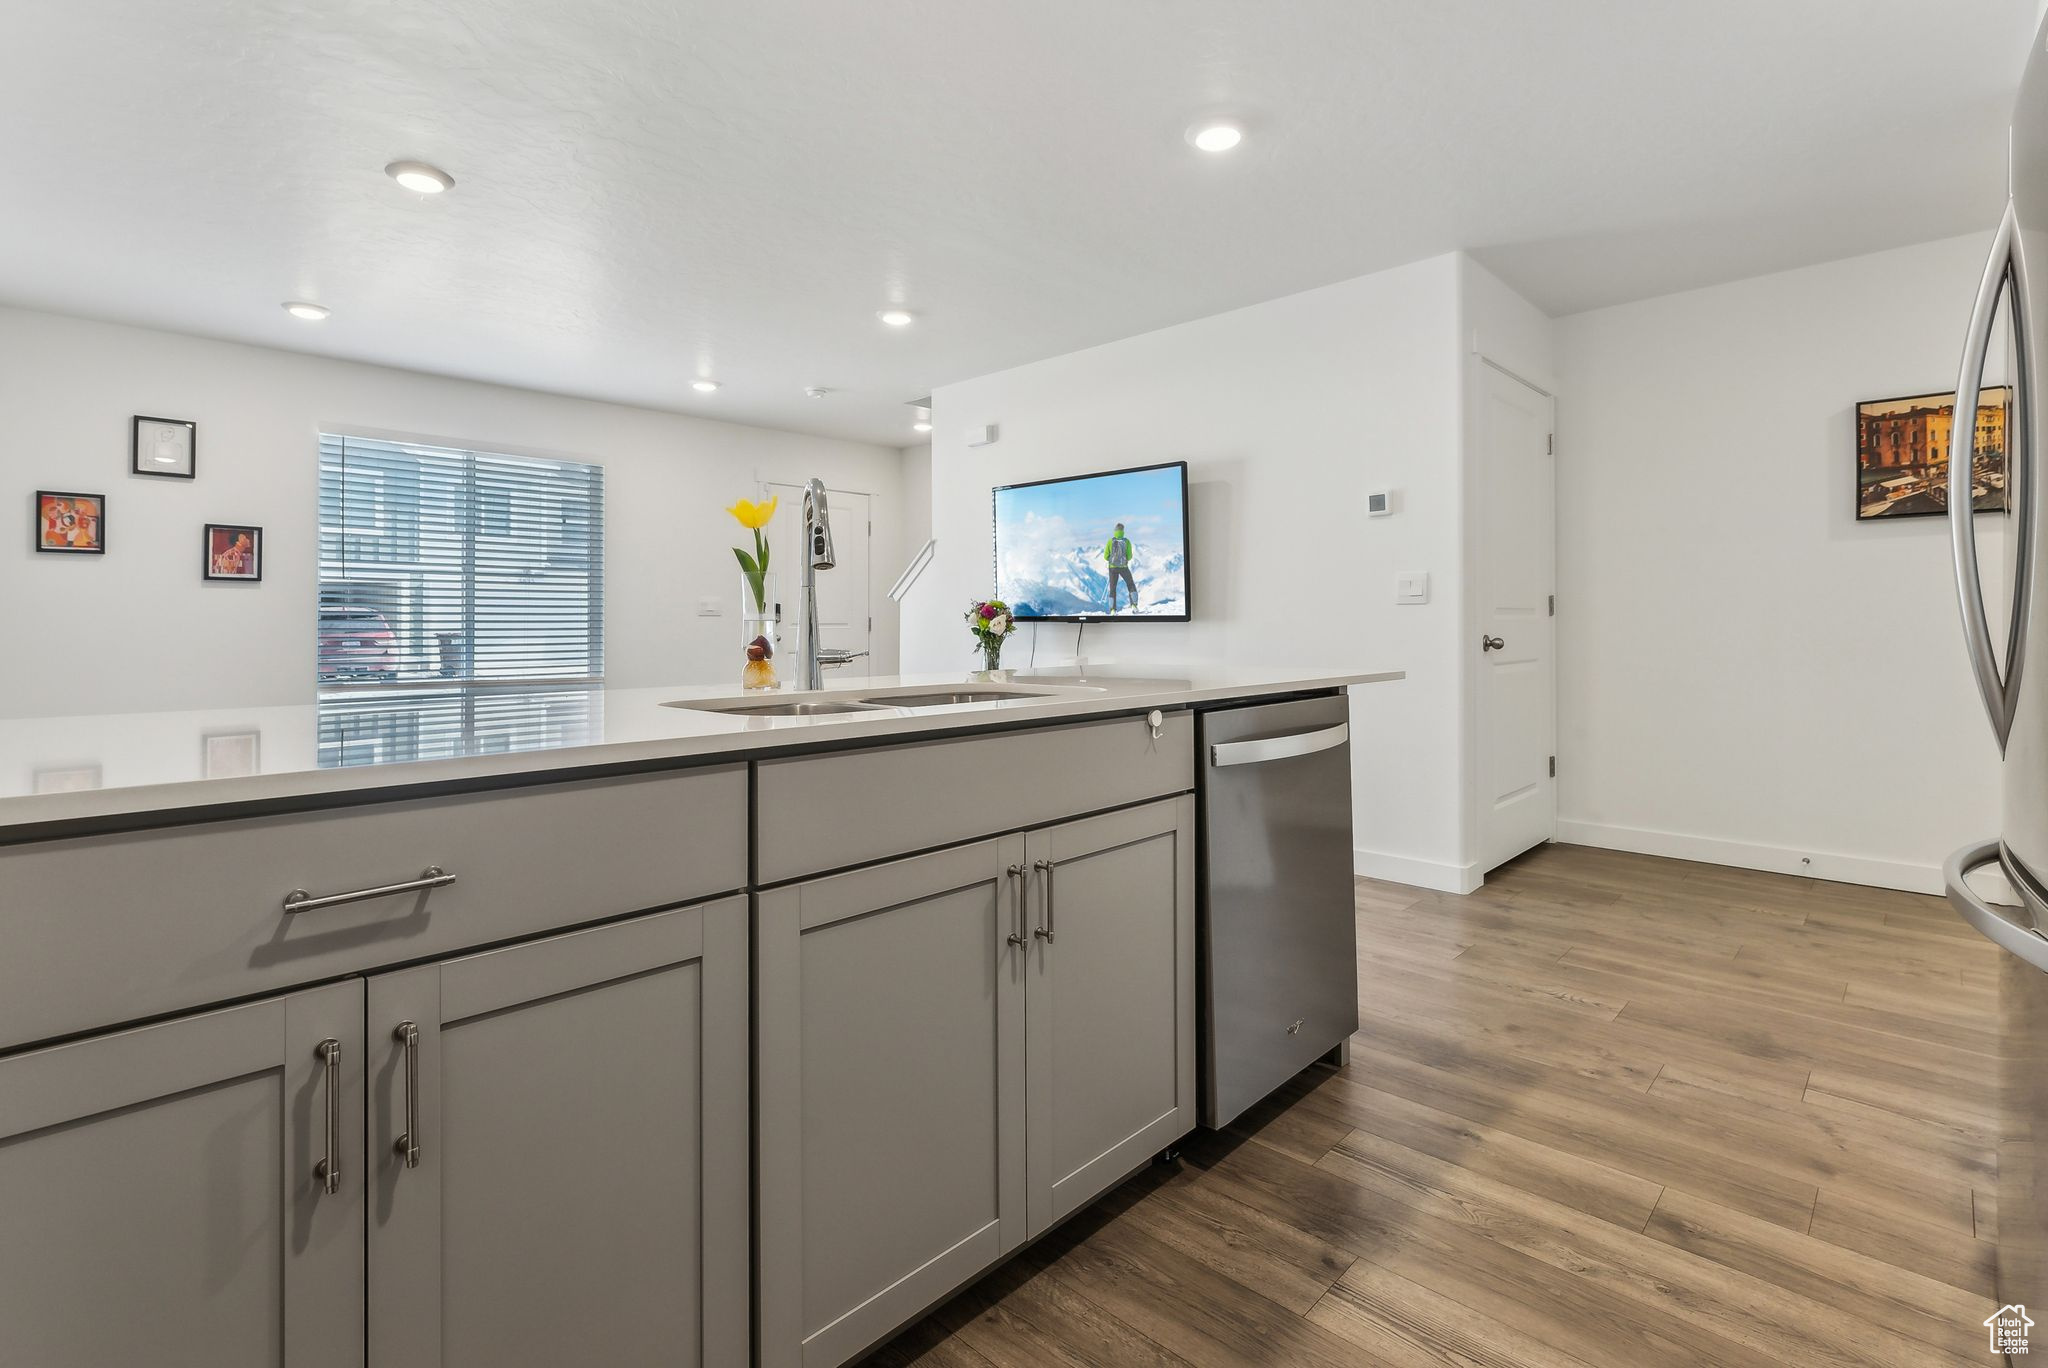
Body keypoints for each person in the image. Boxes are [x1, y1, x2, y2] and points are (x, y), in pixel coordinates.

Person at [1103, 522, 1138, 611]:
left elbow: (1105, 556)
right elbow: (1129, 556)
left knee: (1113, 588)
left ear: (1115, 531)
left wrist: (1112, 560)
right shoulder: (1127, 541)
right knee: (1130, 584)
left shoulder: (1110, 541)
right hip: (1124, 567)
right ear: (1123, 531)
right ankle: (1134, 605)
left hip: (1112, 567)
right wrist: (1123, 560)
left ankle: (1112, 610)